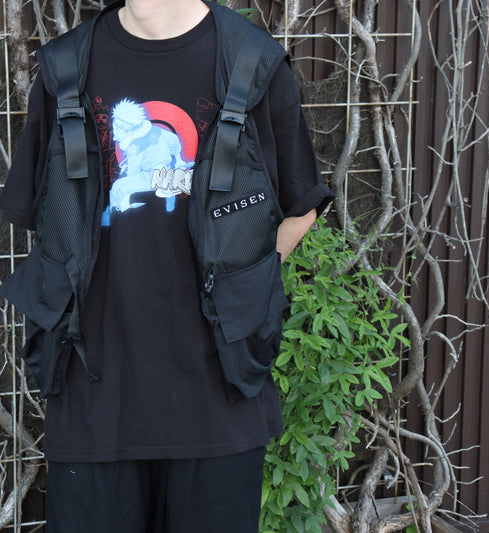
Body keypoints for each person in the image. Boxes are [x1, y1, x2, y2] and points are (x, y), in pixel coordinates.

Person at [0, 0, 334, 532]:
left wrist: (244, 284)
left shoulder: (255, 62)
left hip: (218, 399)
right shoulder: (64, 68)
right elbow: (44, 213)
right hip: (92, 400)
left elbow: (302, 204)